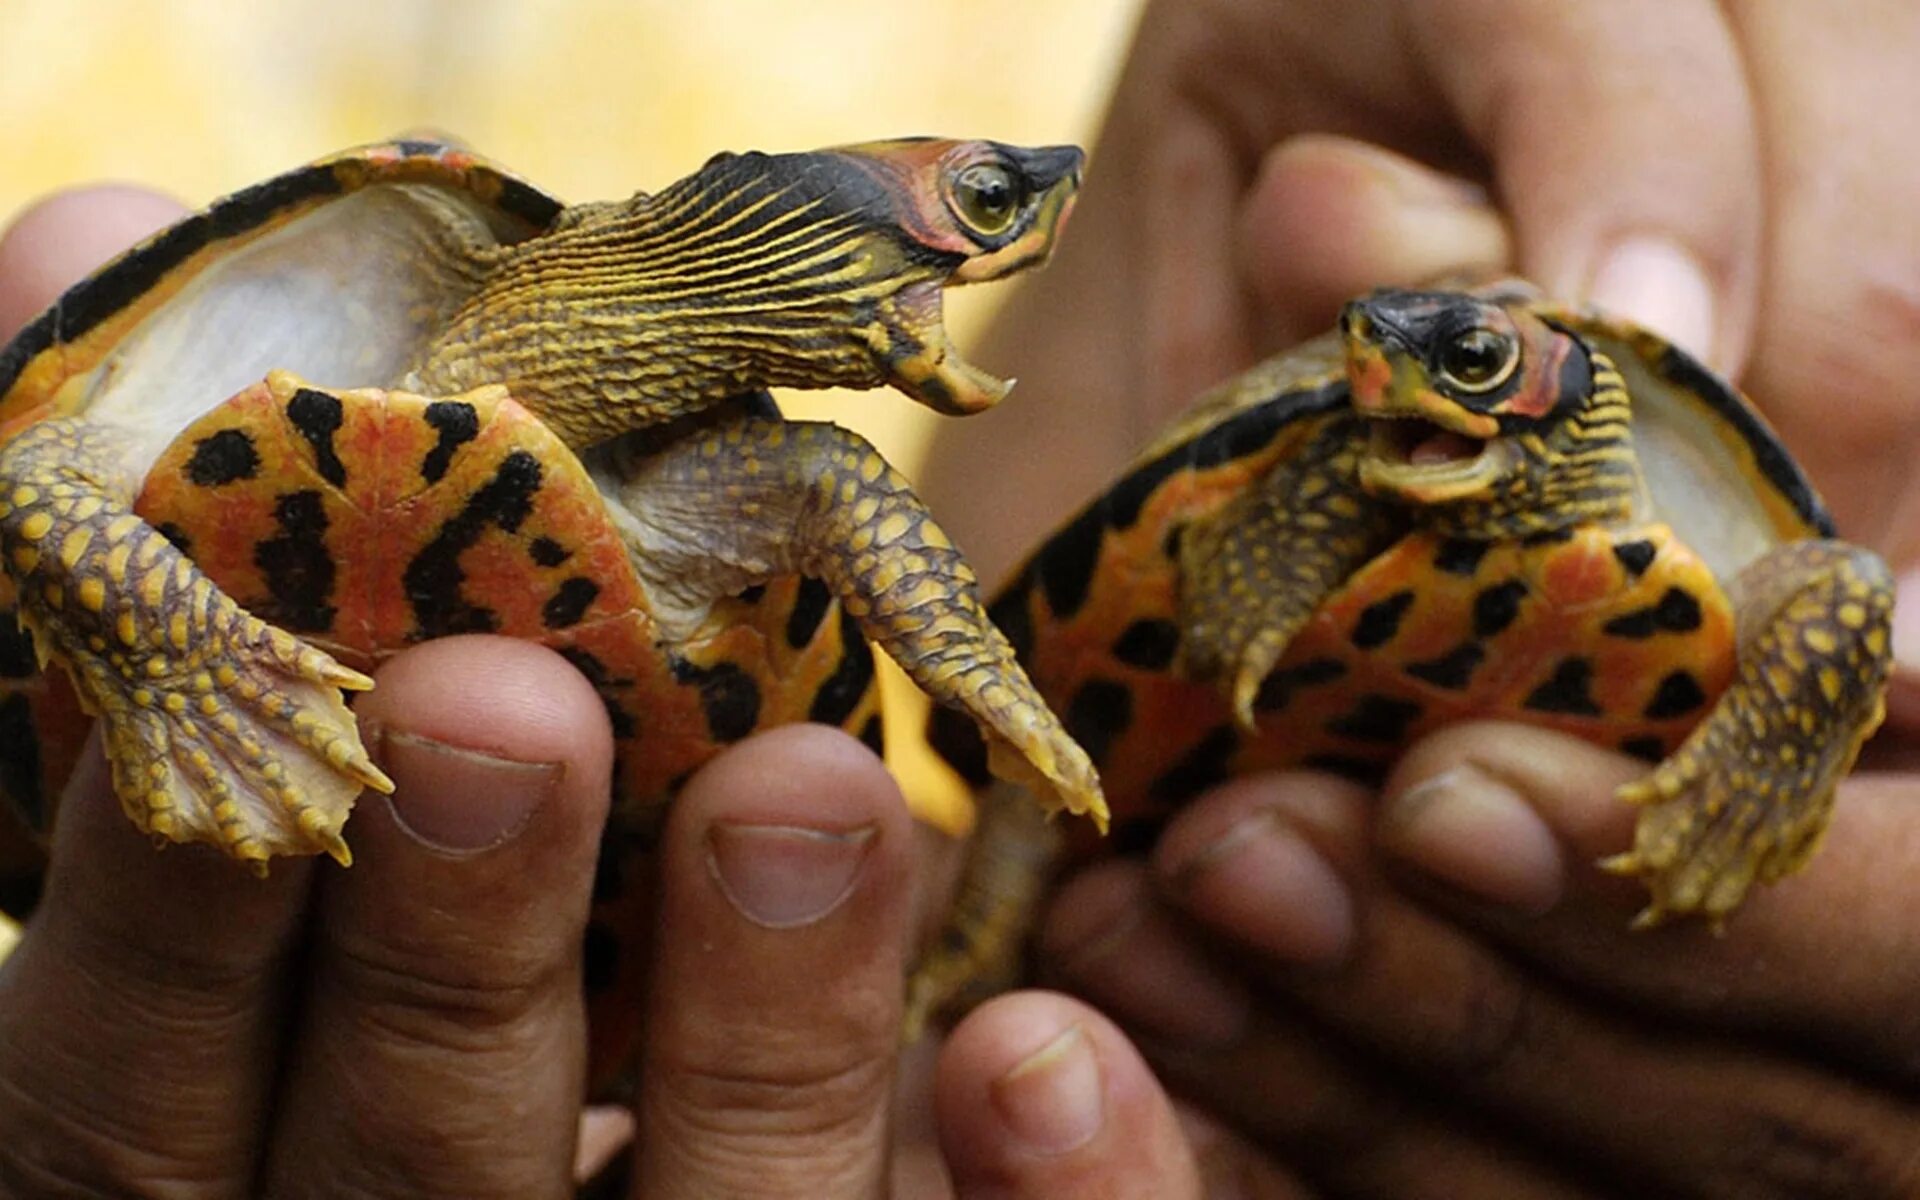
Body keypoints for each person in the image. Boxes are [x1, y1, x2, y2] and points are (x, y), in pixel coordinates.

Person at [7, 1, 1920, 1194]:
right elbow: (40, 487)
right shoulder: (360, 269)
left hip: (708, 883)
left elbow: (842, 492)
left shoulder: (773, 476)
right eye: (991, 212)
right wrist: (168, 650)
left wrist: (998, 705)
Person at [920, 1, 1920, 1195]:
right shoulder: (1354, 453)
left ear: (1568, 397)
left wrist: (1761, 776)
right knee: (1020, 841)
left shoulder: (1681, 494)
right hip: (1160, 810)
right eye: (1374, 360)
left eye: (1475, 364)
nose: (1392, 379)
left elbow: (1842, 594)